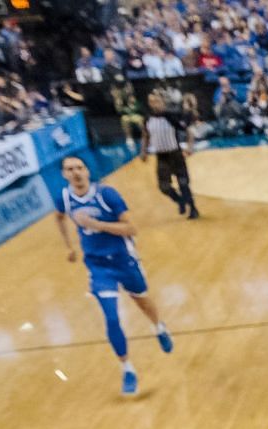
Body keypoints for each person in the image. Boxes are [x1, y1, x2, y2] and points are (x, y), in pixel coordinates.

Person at [53, 154, 175, 397]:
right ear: (64, 174)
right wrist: (68, 246)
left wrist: (97, 225)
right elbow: (58, 218)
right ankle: (127, 368)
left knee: (142, 300)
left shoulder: (106, 195)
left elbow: (131, 228)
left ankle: (159, 327)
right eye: (70, 169)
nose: (76, 172)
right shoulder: (64, 198)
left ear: (87, 171)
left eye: (79, 167)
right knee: (111, 317)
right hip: (98, 265)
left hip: (123, 259)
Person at [141, 90, 199, 219]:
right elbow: (145, 135)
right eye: (152, 102)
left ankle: (193, 208)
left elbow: (189, 130)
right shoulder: (148, 119)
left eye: (157, 101)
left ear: (163, 102)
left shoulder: (172, 117)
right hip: (161, 157)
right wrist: (143, 151)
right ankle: (180, 201)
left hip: (175, 154)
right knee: (164, 187)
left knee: (183, 183)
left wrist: (189, 147)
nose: (154, 104)